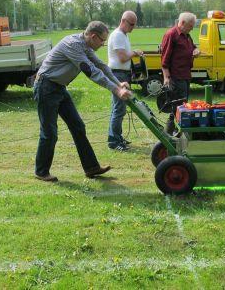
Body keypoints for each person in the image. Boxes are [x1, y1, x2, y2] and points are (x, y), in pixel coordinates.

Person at [33, 21, 132, 182]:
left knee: (78, 126)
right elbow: (91, 71)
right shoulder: (73, 45)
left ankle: (91, 168)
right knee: (49, 132)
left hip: (58, 88)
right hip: (46, 88)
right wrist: (116, 90)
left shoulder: (86, 45)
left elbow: (101, 65)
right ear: (93, 36)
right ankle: (41, 171)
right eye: (102, 40)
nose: (103, 44)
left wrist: (118, 83)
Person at [107, 11, 143, 151]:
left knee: (118, 108)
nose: (133, 27)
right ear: (123, 21)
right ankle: (114, 142)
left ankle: (116, 137)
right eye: (131, 24)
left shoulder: (122, 35)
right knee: (119, 109)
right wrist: (135, 52)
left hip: (121, 73)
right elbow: (122, 58)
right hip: (118, 74)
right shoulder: (117, 35)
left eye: (134, 24)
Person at [161, 12, 200, 134]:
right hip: (176, 77)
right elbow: (164, 59)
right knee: (177, 108)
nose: (192, 28)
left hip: (185, 76)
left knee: (182, 107)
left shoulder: (187, 35)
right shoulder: (171, 34)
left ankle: (174, 133)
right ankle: (169, 135)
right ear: (182, 23)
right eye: (190, 25)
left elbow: (193, 47)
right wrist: (166, 77)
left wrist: (196, 51)